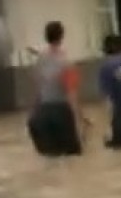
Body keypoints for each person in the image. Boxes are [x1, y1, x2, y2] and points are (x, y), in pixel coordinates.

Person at [28, 21, 84, 157]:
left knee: (50, 159)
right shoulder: (67, 63)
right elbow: (71, 95)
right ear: (62, 36)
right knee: (72, 159)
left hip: (40, 114)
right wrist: (80, 121)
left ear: (46, 36)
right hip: (61, 112)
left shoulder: (39, 61)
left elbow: (37, 89)